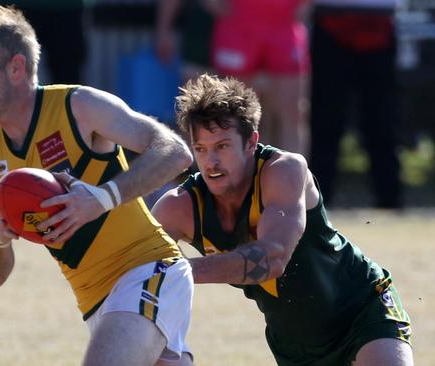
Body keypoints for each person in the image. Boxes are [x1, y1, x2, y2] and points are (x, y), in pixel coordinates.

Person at [0, 6, 194, 366]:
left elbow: (175, 152)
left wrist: (102, 197)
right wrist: (0, 236)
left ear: (16, 68)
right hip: (94, 301)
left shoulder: (78, 105)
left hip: (148, 268)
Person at [152, 74, 413, 365]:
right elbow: (132, 270)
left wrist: (176, 272)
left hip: (362, 310)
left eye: (222, 146)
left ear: (251, 141)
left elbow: (273, 259)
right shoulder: (179, 207)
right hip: (294, 345)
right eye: (201, 149)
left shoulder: (284, 171)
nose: (211, 162)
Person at [309, 0, 403, 208]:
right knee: (326, 120)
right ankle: (318, 201)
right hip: (330, 22)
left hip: (379, 25)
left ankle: (390, 199)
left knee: (382, 119)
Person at [209, 0, 310, 156]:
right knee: (233, 115)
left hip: (283, 25)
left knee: (292, 114)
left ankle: (292, 177)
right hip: (239, 24)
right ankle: (236, 177)